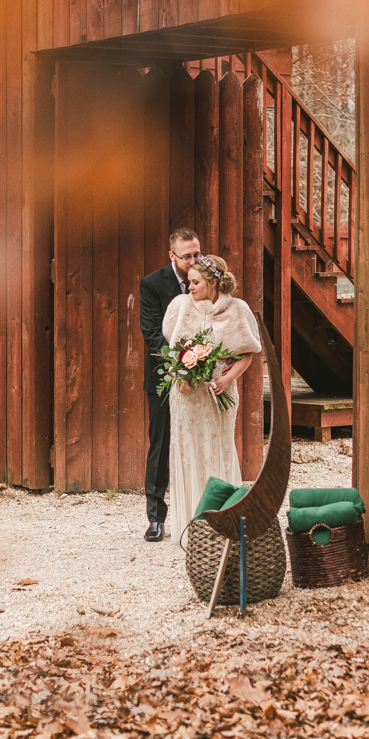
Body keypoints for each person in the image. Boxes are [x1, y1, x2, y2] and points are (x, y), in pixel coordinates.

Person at [161, 253, 261, 545]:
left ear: (213, 282)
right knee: (187, 450)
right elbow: (173, 352)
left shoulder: (238, 309)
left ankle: (223, 521)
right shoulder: (180, 307)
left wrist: (226, 379)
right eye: (189, 282)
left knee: (217, 447)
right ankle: (189, 526)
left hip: (219, 393)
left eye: (195, 282)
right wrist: (180, 375)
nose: (189, 287)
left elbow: (247, 354)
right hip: (186, 396)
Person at [139, 227, 201, 542]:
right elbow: (151, 333)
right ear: (172, 256)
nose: (193, 261)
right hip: (164, 379)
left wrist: (203, 362)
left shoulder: (207, 279)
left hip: (202, 377)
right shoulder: (151, 284)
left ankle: (200, 515)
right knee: (160, 446)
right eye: (187, 256)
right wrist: (181, 364)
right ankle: (156, 519)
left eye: (197, 254)